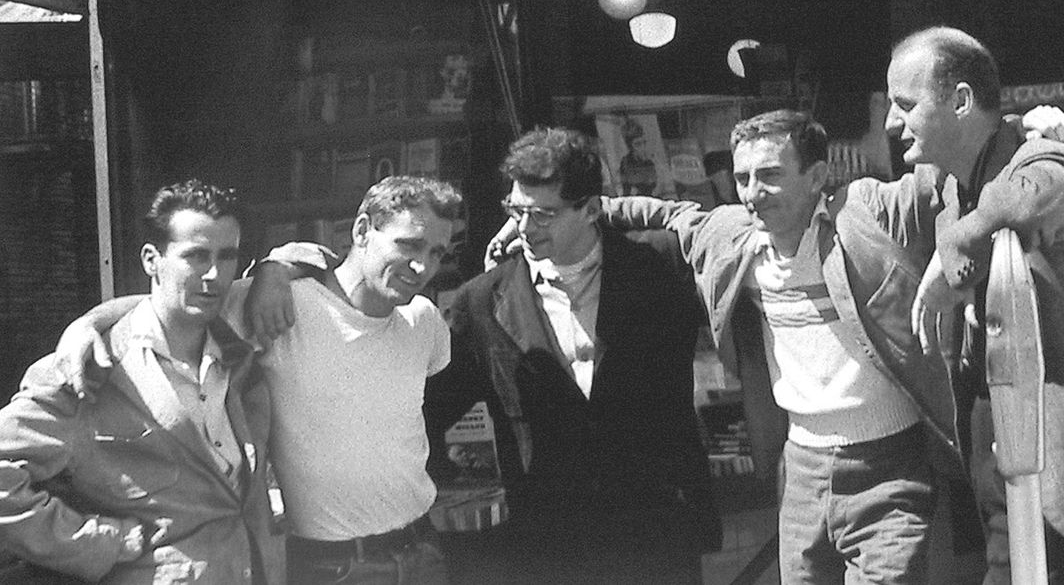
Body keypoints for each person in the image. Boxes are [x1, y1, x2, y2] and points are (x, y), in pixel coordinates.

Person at [587, 109, 968, 585]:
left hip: (890, 468)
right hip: (800, 473)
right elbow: (666, 213)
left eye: (769, 176)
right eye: (742, 177)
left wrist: (1028, 133)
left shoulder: (868, 211)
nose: (751, 193)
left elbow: (949, 178)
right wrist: (563, 217)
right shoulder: (731, 239)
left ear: (817, 177)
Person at [56, 175, 461, 585]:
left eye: (436, 252)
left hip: (424, 551)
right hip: (334, 567)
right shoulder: (282, 307)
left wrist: (279, 263)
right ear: (361, 230)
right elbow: (166, 306)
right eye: (408, 245)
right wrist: (86, 324)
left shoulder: (424, 321)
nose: (422, 267)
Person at [889, 26, 1064, 585]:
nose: (892, 121)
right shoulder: (954, 180)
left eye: (905, 105)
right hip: (1005, 476)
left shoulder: (1043, 162)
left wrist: (955, 245)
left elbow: (1043, 188)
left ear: (959, 101)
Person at [425, 126, 717, 585]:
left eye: (544, 214)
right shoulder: (481, 301)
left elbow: (736, 225)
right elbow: (430, 411)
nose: (525, 228)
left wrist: (622, 210)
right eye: (517, 210)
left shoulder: (662, 267)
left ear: (592, 209)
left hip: (658, 535)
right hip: (551, 543)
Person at [0, 180, 283, 584]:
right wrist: (103, 541)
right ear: (152, 259)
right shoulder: (94, 367)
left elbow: (311, 262)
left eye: (228, 257)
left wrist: (274, 268)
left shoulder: (237, 355)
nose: (215, 275)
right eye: (196, 256)